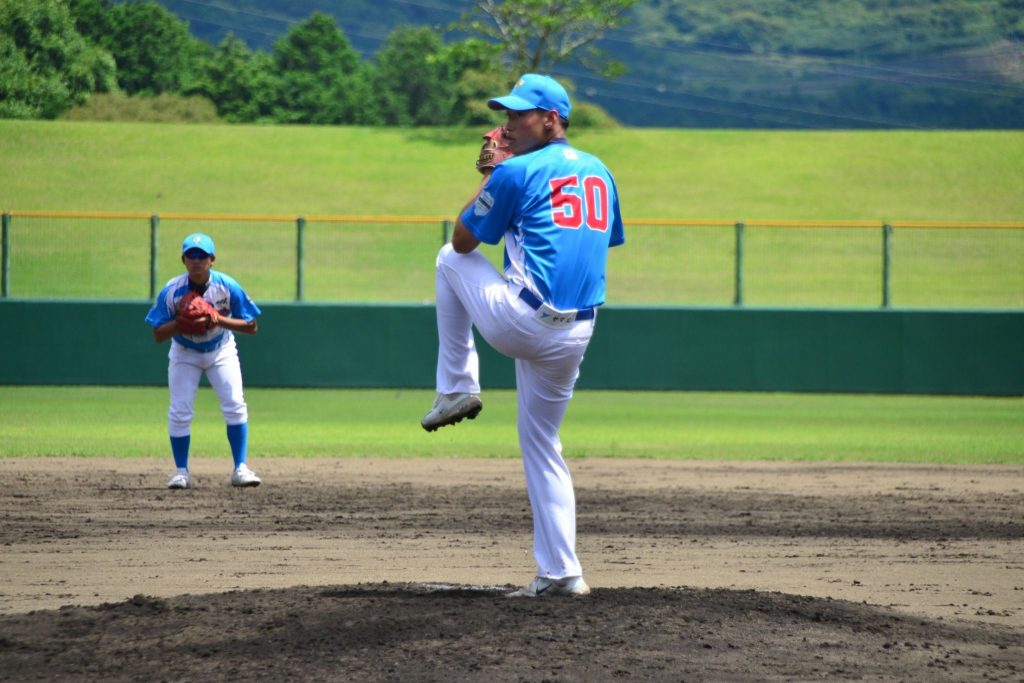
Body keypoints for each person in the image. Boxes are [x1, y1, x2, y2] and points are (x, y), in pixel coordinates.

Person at [421, 74, 625, 598]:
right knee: (542, 443)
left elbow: (463, 239)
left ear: (551, 119)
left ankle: (456, 387)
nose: (508, 124)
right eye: (507, 114)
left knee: (447, 259)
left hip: (523, 322)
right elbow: (600, 239)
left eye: (519, 114)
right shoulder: (601, 171)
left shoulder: (515, 171)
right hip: (577, 332)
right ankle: (563, 574)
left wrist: (493, 174)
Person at [145, 233, 263, 489]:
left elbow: (251, 326)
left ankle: (240, 468)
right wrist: (180, 322)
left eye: (202, 256)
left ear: (212, 260)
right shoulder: (172, 290)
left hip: (221, 349)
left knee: (235, 405)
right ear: (183, 260)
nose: (196, 261)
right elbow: (157, 334)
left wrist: (217, 319)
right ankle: (181, 471)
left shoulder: (227, 286)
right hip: (184, 353)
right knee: (180, 411)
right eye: (191, 256)